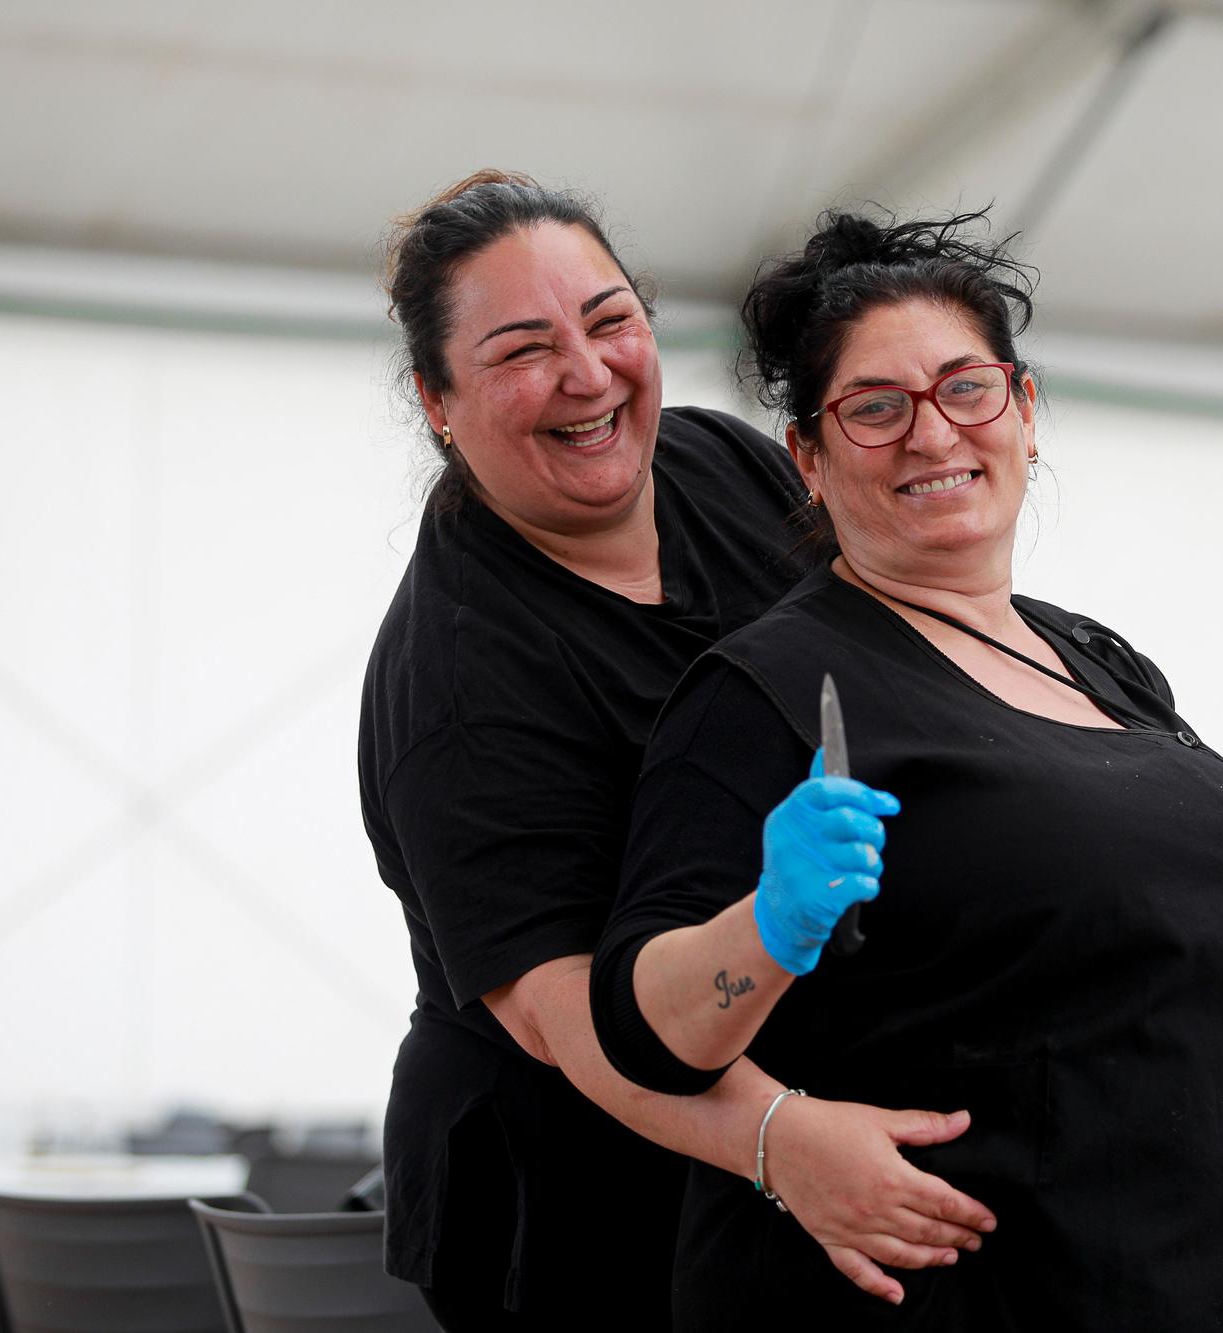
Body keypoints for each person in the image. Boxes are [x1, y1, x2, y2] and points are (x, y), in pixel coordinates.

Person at [590, 210, 1223, 1329]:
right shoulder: (768, 688)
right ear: (809, 458)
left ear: (1024, 410)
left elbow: (1127, 991)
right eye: (875, 409)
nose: (932, 436)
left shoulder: (1103, 662)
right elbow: (643, 1034)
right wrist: (769, 923)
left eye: (965, 389)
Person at [358, 174, 997, 1327]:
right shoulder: (457, 678)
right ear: (436, 399)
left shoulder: (719, 467)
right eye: (521, 350)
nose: (588, 374)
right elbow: (557, 1018)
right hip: (573, 1185)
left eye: (610, 321)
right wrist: (776, 1138)